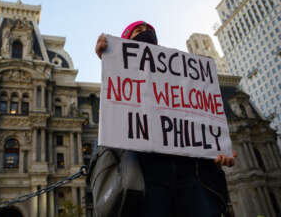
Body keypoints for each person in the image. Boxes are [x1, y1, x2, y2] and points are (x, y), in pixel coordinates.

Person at [95, 21, 236, 217]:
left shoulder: (186, 77)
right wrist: (111, 58)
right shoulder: (123, 81)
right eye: (137, 31)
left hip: (192, 176)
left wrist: (219, 149)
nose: (144, 33)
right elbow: (117, 121)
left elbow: (199, 121)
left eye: (148, 31)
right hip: (147, 175)